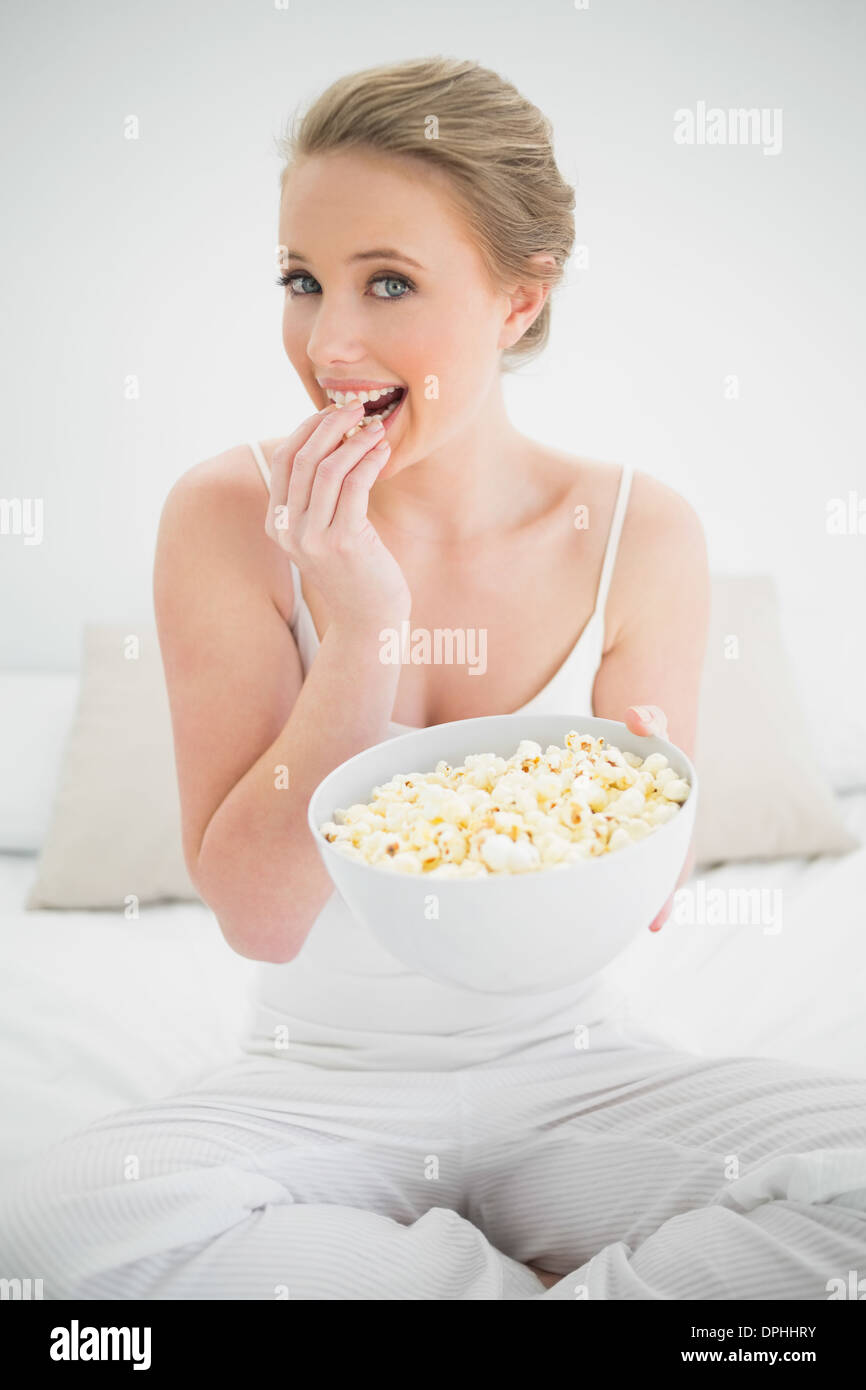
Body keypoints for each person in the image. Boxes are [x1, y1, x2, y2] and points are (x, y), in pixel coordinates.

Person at [2, 57, 864, 1301]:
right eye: (301, 281)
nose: (327, 343)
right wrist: (359, 635)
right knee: (46, 1239)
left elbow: (653, 882)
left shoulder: (637, 529)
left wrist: (646, 824)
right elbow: (257, 914)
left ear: (518, 299)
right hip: (314, 1082)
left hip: (580, 1071)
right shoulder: (224, 515)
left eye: (388, 282)